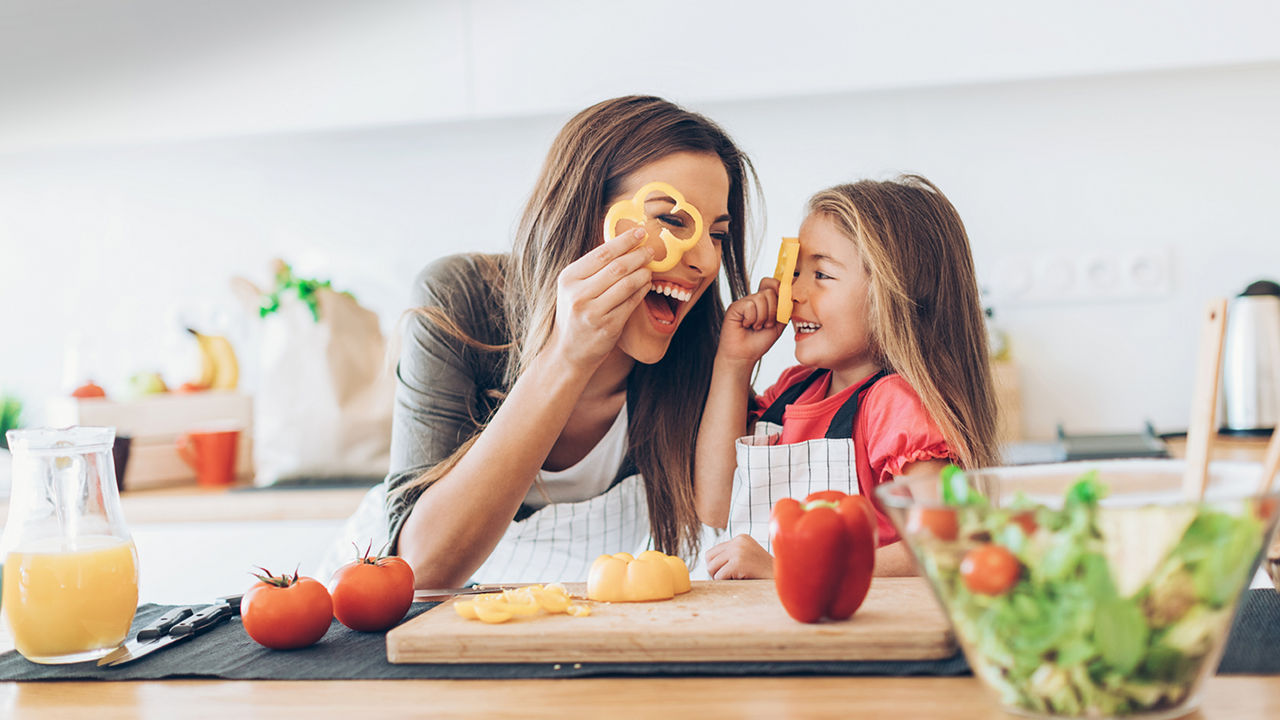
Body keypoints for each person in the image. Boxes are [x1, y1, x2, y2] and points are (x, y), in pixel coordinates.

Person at [385, 96, 757, 589]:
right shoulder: (460, 298)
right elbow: (422, 571)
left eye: (718, 234)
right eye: (671, 221)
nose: (707, 262)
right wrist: (567, 355)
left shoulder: (702, 351)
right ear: (584, 214)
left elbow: (721, 517)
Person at [693, 175, 999, 579]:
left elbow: (947, 543)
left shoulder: (894, 405)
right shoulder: (793, 392)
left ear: (892, 295)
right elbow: (716, 506)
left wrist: (791, 569)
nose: (793, 293)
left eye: (820, 275)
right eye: (796, 273)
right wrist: (733, 363)